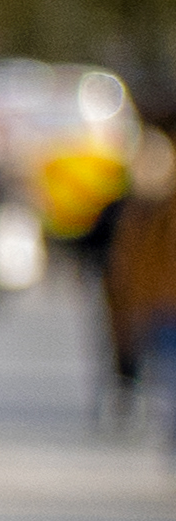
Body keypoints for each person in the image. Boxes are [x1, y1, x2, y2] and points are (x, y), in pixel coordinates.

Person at [106, 140, 176, 433]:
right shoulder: (130, 212)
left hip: (163, 304)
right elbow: (124, 266)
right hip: (151, 307)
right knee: (164, 375)